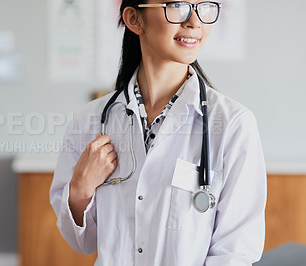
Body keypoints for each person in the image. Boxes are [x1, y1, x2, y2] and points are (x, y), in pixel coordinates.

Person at [50, 1, 267, 265]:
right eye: (178, 6)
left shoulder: (234, 124)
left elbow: (234, 253)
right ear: (134, 19)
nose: (195, 22)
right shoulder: (89, 121)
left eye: (205, 7)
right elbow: (82, 243)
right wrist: (80, 190)